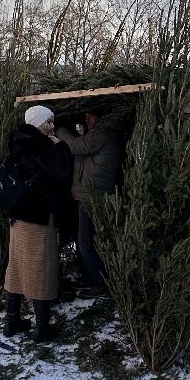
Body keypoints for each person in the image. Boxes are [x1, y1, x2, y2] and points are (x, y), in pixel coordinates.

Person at [1, 105, 73, 341]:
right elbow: (62, 171)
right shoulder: (40, 145)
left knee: (17, 267)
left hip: (18, 215)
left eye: (53, 122)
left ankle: (12, 321)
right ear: (37, 122)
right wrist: (60, 146)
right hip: (38, 216)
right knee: (40, 268)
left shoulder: (18, 141)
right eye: (48, 122)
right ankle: (42, 328)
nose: (52, 127)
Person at [54, 108, 124, 298]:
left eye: (91, 116)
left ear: (101, 118)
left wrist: (60, 130)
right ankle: (89, 278)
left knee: (86, 243)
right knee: (83, 240)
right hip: (85, 194)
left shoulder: (104, 134)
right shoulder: (97, 134)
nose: (87, 119)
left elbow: (77, 146)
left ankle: (101, 284)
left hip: (92, 196)